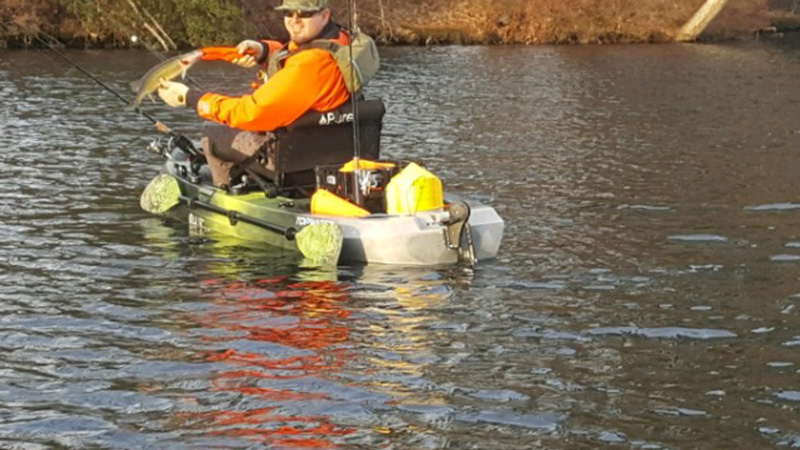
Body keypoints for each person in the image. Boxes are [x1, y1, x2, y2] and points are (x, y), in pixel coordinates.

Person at [158, 0, 362, 189]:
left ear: (325, 15)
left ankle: (224, 191)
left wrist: (190, 98)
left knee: (212, 135)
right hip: (329, 150)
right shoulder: (341, 42)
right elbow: (296, 54)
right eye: (288, 13)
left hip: (293, 158)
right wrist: (263, 50)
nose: (294, 21)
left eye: (305, 14)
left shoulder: (310, 65)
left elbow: (251, 113)